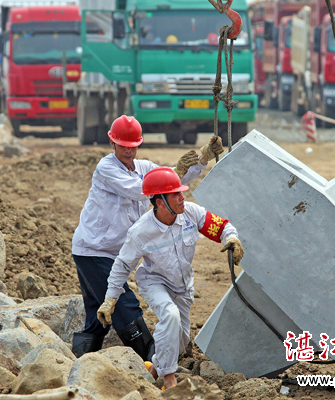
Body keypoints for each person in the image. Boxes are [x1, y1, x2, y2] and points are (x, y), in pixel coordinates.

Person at [71, 115, 224, 361]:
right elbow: (138, 189)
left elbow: (172, 182)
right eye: (123, 146)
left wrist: (202, 157)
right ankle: (153, 359)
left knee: (97, 319)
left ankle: (79, 364)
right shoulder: (106, 168)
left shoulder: (144, 167)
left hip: (117, 251)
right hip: (95, 250)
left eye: (133, 146)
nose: (129, 151)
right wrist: (175, 169)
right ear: (113, 144)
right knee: (122, 305)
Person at [97, 167, 244, 389]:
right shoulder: (140, 232)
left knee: (181, 339)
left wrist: (232, 237)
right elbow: (122, 266)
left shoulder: (191, 213)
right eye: (175, 194)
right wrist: (110, 300)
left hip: (183, 285)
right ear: (159, 202)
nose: (182, 197)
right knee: (170, 316)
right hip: (154, 282)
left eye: (180, 192)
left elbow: (220, 226)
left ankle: (154, 369)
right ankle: (169, 380)